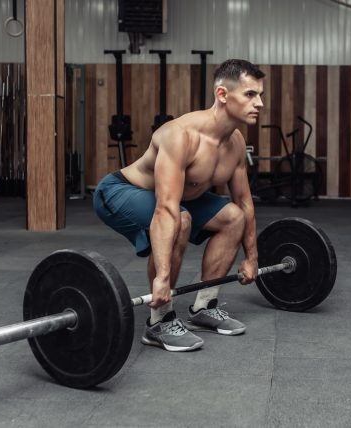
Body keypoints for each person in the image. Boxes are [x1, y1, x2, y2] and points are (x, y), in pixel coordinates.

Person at [93, 59, 265, 351]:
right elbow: (166, 209)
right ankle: (158, 322)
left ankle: (204, 308)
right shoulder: (181, 135)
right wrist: (162, 278)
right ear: (223, 95)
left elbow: (244, 202)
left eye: (260, 94)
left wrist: (251, 257)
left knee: (233, 217)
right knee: (181, 219)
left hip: (180, 200)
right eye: (250, 94)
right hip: (120, 191)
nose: (259, 103)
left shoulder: (234, 143)